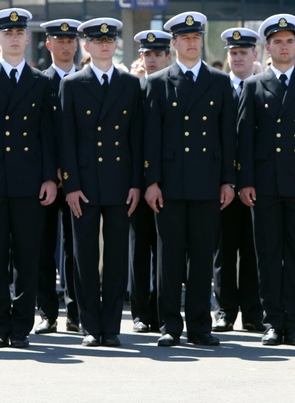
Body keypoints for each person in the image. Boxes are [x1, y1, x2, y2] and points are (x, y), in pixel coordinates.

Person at [0, 8, 57, 348]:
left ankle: (22, 326)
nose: (15, 38)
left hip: (30, 181)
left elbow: (48, 134)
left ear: (27, 39)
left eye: (20, 33)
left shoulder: (42, 80)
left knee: (28, 256)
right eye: (8, 33)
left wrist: (49, 177)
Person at [237, 14, 295, 346]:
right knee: (267, 253)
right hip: (263, 184)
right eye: (277, 41)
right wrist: (245, 180)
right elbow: (244, 138)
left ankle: (292, 321)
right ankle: (272, 322)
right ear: (268, 47)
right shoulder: (253, 85)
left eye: (290, 41)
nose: (285, 46)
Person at [144, 12, 236, 347]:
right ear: (174, 44)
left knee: (201, 257)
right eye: (185, 38)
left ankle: (200, 325)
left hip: (207, 181)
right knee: (169, 258)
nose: (191, 43)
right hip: (168, 183)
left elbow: (227, 136)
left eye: (196, 38)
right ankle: (170, 324)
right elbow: (150, 138)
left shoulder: (219, 81)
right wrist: (151, 181)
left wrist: (228, 181)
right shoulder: (157, 82)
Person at [59, 18, 143, 347]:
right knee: (85, 257)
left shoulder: (129, 84)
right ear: (88, 46)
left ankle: (111, 327)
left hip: (121, 182)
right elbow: (66, 139)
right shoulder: (74, 84)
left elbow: (135, 138)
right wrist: (71, 186)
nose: (104, 44)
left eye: (110, 40)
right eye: (97, 40)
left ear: (116, 45)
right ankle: (89, 326)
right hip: (85, 183)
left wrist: (137, 183)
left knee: (116, 257)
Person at [212, 27, 264, 333]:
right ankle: (225, 310)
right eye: (233, 53)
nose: (238, 58)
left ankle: (253, 312)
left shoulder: (260, 87)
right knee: (224, 250)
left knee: (254, 249)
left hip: (256, 183)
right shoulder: (220, 87)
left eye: (243, 52)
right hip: (223, 184)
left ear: (255, 55)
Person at [35, 18, 83, 335]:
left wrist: (72, 173)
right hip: (46, 179)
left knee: (77, 247)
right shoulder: (39, 82)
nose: (65, 46)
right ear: (49, 44)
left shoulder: (85, 81)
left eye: (70, 41)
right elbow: (37, 134)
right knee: (43, 245)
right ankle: (47, 312)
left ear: (77, 45)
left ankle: (76, 312)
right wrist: (50, 171)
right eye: (59, 41)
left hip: (79, 179)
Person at [129, 29, 172, 335]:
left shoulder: (174, 88)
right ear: (140, 59)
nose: (153, 60)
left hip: (166, 182)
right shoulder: (131, 89)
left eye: (158, 54)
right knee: (138, 247)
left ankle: (161, 308)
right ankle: (140, 311)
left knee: (166, 250)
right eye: (148, 55)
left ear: (168, 57)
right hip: (135, 181)